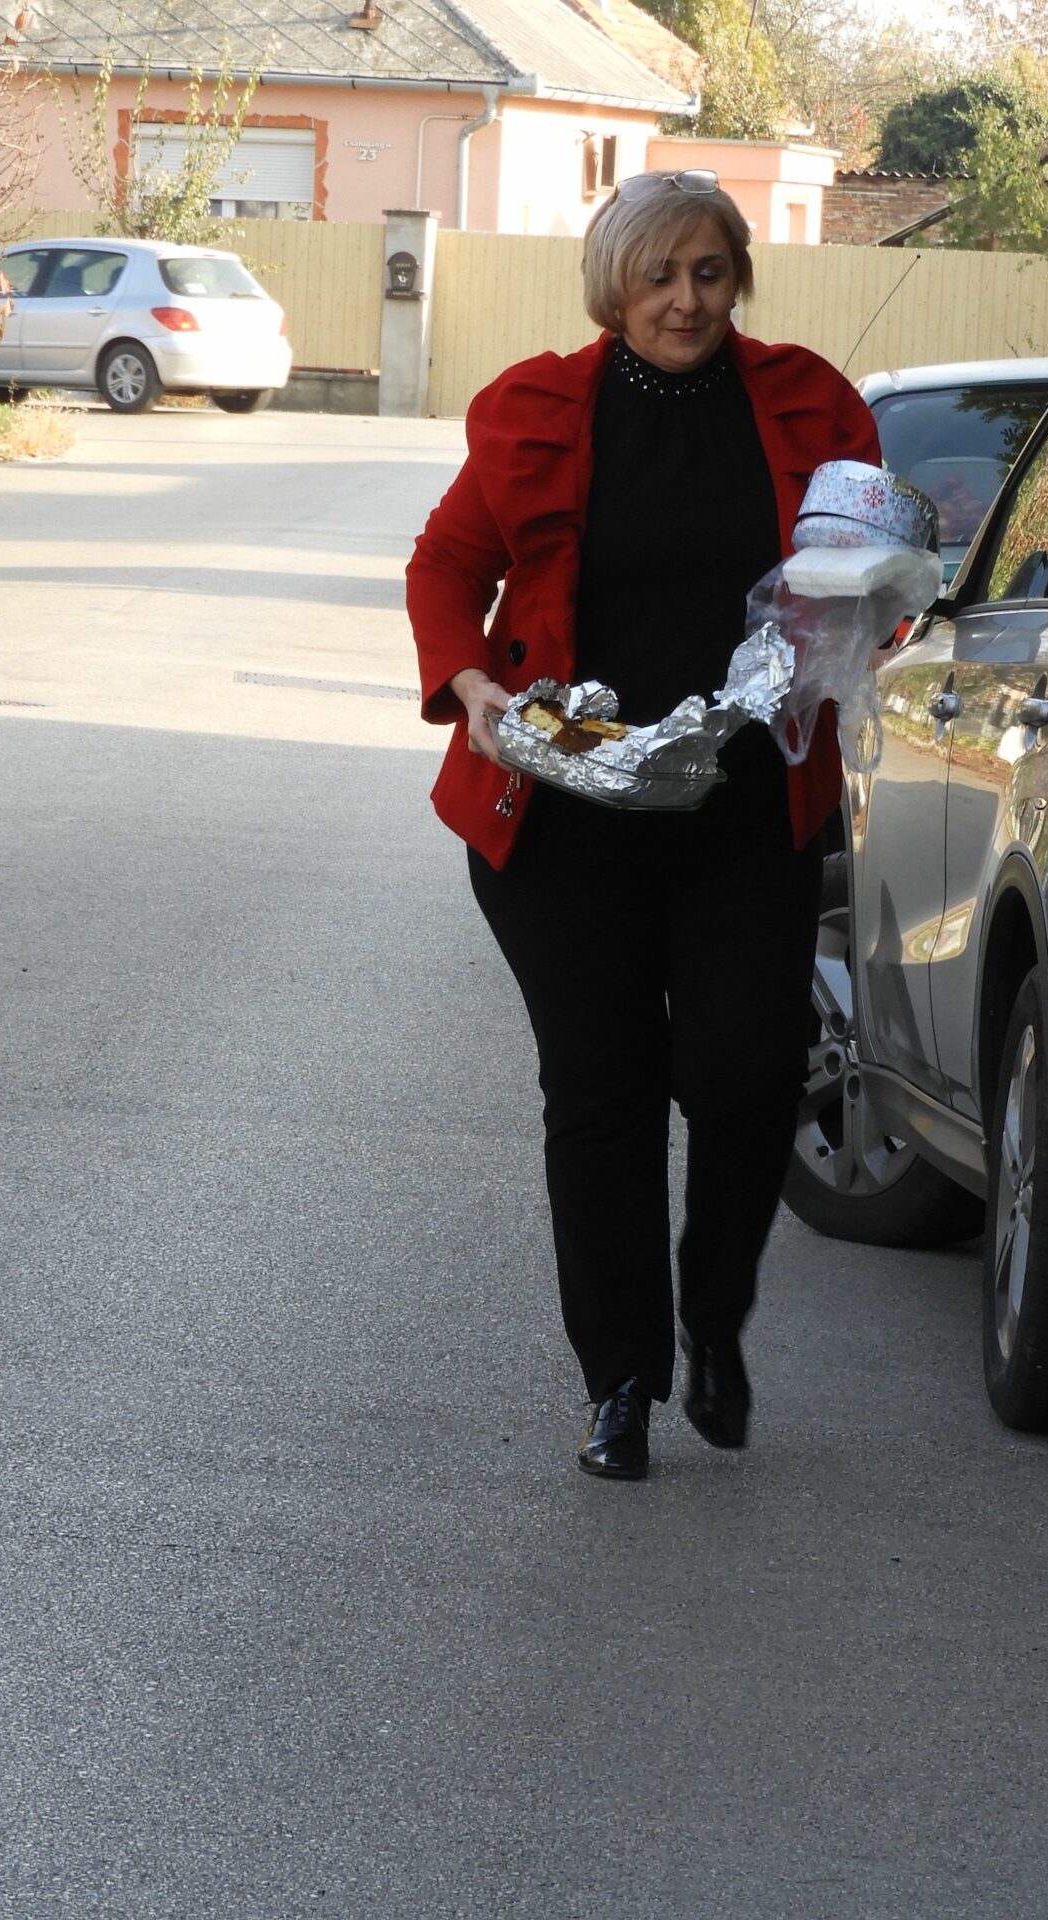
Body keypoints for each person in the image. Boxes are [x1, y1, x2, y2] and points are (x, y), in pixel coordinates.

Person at [406, 171, 880, 1480]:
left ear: (739, 279)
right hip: (564, 814)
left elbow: (860, 581)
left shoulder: (813, 406)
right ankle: (621, 1376)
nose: (686, 299)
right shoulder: (533, 410)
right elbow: (447, 564)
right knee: (601, 1094)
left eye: (711, 272)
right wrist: (475, 686)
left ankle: (714, 1317)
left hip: (744, 810)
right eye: (661, 274)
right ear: (615, 282)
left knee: (747, 1074)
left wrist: (872, 605)